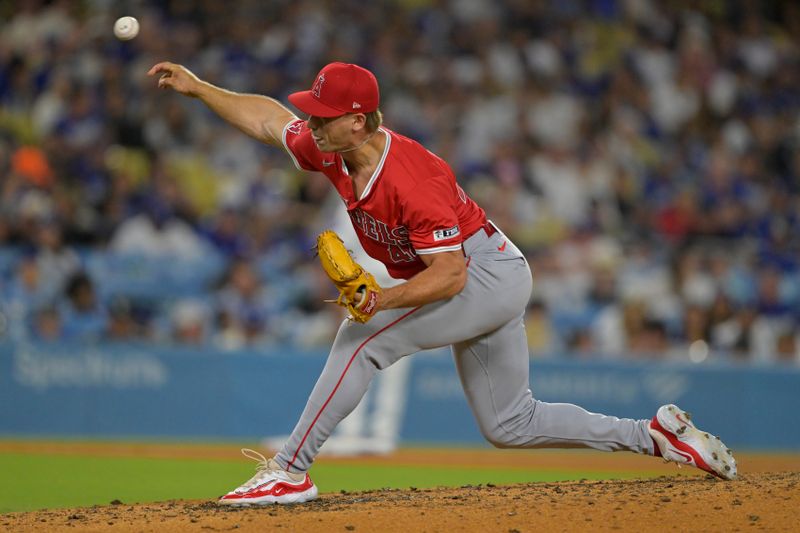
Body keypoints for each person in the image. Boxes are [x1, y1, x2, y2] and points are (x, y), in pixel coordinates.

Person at [148, 61, 738, 506]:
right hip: (480, 271)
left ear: (358, 122)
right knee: (510, 424)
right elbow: (268, 119)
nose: (312, 122)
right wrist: (200, 87)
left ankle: (289, 470)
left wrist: (380, 300)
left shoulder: (412, 177)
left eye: (323, 115)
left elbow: (450, 275)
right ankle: (657, 436)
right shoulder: (331, 147)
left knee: (363, 336)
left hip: (484, 273)